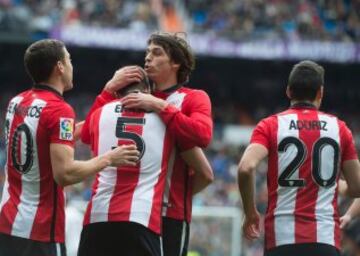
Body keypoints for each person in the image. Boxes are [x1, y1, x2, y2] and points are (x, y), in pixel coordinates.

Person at [0, 39, 139, 256]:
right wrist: (109, 159)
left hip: (7, 224)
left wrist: (107, 93)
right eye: (69, 59)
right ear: (60, 67)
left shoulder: (17, 102)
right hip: (39, 231)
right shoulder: (59, 110)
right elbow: (65, 174)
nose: (72, 65)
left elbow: (64, 135)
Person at [81, 32, 214, 256]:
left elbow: (202, 135)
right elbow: (89, 134)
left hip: (168, 214)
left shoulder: (193, 98)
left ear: (176, 63)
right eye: (147, 53)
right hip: (127, 210)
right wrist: (108, 89)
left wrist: (160, 106)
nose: (147, 58)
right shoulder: (131, 99)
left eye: (156, 53)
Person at [237, 60, 360, 256]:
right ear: (320, 93)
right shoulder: (340, 129)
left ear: (288, 91)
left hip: (281, 238)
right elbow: (357, 187)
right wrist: (335, 185)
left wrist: (250, 211)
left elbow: (245, 168)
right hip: (324, 239)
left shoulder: (270, 125)